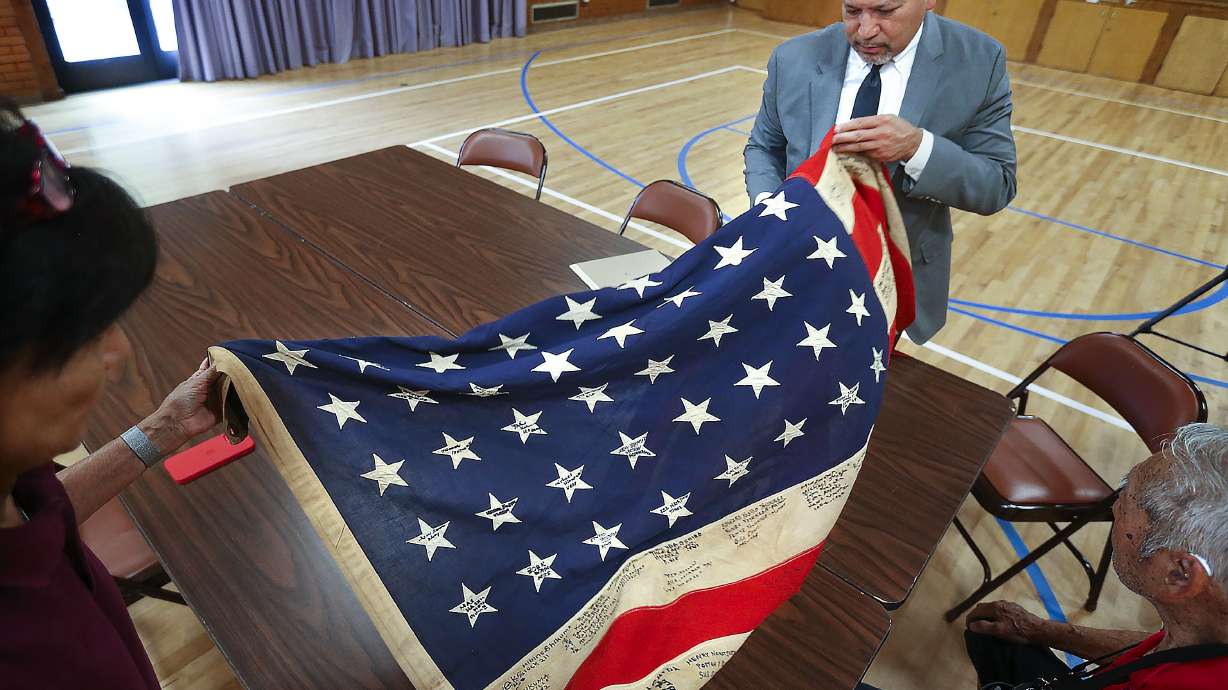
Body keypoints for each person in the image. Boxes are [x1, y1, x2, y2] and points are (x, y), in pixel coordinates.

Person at [0, 100, 222, 689]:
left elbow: (40, 516)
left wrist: (163, 430)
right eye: (86, 329)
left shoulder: (14, 477)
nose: (117, 350)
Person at [744, 0, 1017, 343]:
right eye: (852, 11)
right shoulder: (793, 56)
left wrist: (917, 148)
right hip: (793, 261)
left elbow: (996, 184)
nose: (866, 30)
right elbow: (764, 148)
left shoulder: (979, 61)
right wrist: (772, 211)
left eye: (885, 12)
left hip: (888, 280)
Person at [957, 422, 1228, 689]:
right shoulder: (1201, 628)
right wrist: (1038, 629)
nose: (1114, 508)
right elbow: (1159, 649)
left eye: (1126, 501)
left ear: (1179, 574)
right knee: (993, 637)